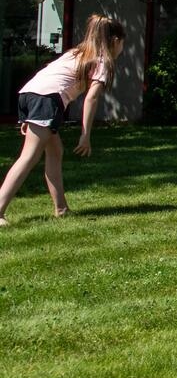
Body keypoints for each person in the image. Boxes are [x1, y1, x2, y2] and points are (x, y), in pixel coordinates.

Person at [0, 15, 124, 226]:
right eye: (122, 43)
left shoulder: (77, 53)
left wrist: (30, 113)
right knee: (28, 157)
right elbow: (91, 98)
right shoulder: (102, 60)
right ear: (114, 41)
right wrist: (85, 135)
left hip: (29, 94)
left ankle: (61, 208)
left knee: (55, 152)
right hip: (46, 100)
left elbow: (46, 77)